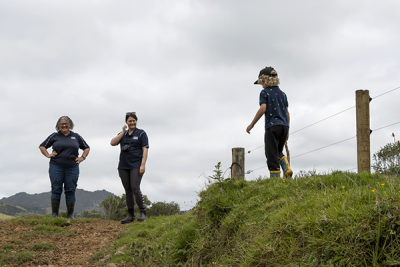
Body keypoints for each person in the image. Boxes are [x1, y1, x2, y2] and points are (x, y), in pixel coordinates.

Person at [39, 116, 90, 219]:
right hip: (56, 166)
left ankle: (70, 215)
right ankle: (54, 215)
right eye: (62, 124)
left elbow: (87, 148)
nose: (64, 125)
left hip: (72, 167)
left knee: (70, 189)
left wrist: (82, 157)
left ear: (70, 125)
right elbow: (42, 146)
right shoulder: (54, 136)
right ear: (58, 126)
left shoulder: (76, 136)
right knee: (56, 189)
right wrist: (48, 155)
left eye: (66, 124)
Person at [246, 66, 293, 178]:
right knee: (277, 151)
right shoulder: (283, 94)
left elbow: (263, 108)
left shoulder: (264, 93)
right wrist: (287, 131)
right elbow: (287, 113)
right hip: (284, 126)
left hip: (272, 127)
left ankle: (275, 180)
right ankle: (285, 166)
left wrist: (252, 124)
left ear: (263, 80)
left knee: (270, 153)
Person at [110, 112, 149, 224]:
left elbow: (145, 149)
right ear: (126, 122)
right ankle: (130, 214)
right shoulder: (123, 134)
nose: (132, 123)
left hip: (136, 165)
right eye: (130, 121)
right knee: (128, 190)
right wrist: (122, 132)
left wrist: (143, 164)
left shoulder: (141, 133)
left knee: (135, 187)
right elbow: (112, 143)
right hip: (123, 166)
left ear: (136, 121)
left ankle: (143, 212)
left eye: (134, 120)